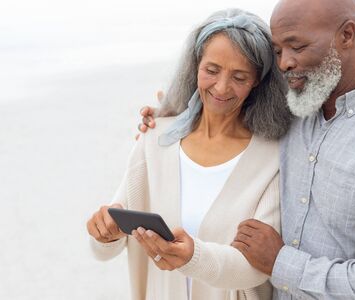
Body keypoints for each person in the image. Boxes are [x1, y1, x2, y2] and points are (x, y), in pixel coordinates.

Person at [138, 0, 355, 299]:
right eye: (277, 51)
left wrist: (280, 263)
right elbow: (227, 96)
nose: (285, 63)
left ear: (347, 35)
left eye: (298, 47)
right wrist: (170, 115)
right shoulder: (292, 112)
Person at [87, 8, 293, 300]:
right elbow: (105, 249)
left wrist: (193, 257)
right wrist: (103, 234)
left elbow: (257, 266)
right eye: (211, 70)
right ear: (195, 65)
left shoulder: (272, 157)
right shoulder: (155, 139)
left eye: (239, 76)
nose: (222, 87)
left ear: (257, 80)